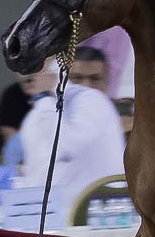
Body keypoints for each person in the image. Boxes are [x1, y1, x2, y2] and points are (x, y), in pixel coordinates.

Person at [17, 59, 126, 210]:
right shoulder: (33, 118)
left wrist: (43, 96)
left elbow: (65, 147)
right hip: (52, 216)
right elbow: (37, 178)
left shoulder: (91, 100)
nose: (25, 73)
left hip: (97, 215)